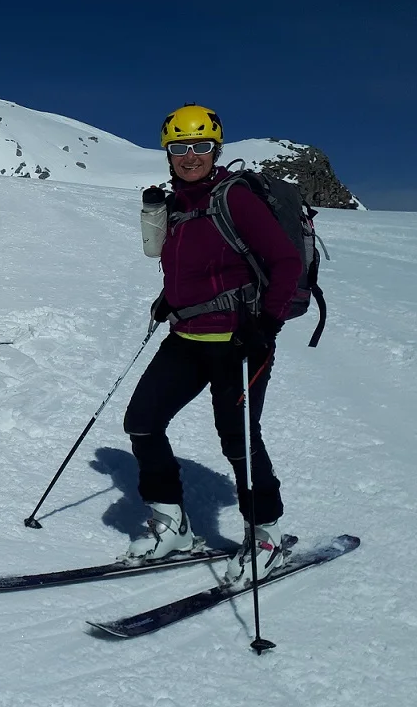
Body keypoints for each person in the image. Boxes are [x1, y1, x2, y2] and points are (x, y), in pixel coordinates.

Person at [122, 104, 302, 583]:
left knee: (238, 438)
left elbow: (286, 263)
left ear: (216, 149)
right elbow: (190, 266)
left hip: (241, 340)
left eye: (200, 146)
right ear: (168, 152)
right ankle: (172, 522)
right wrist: (170, 298)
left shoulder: (235, 197)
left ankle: (266, 535)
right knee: (141, 421)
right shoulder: (175, 205)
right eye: (180, 147)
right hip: (187, 337)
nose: (190, 156)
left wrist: (267, 322)